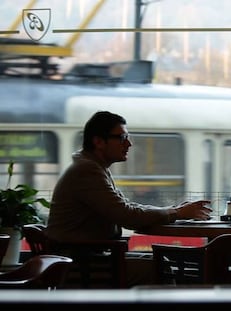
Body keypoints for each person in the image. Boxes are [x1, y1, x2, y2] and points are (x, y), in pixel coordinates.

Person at [45, 110, 212, 286]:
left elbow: (126, 207)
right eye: (122, 137)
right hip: (81, 265)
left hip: (85, 259)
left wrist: (174, 209)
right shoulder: (87, 171)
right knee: (161, 266)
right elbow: (127, 216)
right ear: (99, 142)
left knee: (157, 261)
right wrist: (176, 212)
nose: (129, 144)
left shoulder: (93, 168)